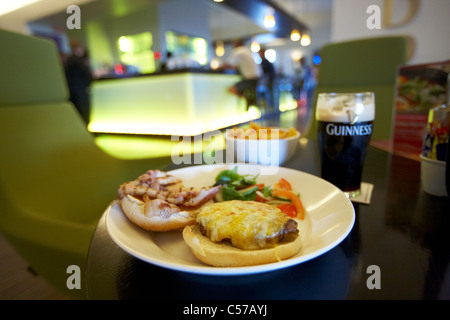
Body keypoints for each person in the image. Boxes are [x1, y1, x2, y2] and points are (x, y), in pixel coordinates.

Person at [223, 39, 262, 109]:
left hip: (250, 78)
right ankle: (251, 99)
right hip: (259, 78)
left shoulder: (238, 51)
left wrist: (218, 67)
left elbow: (228, 64)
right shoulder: (247, 50)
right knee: (245, 90)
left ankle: (249, 99)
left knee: (231, 89)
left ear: (237, 44)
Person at [65, 39, 92, 124]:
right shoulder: (77, 60)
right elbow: (88, 75)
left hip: (74, 93)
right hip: (80, 92)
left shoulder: (70, 60)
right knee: (84, 116)